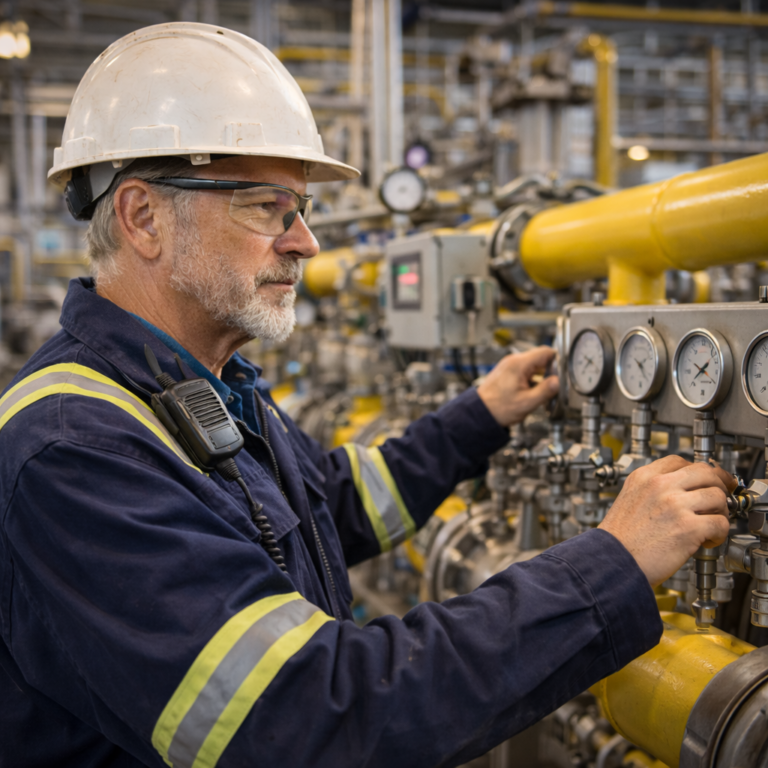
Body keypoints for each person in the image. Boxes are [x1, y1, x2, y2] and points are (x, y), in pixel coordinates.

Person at [0, 22, 734, 768]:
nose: (306, 243)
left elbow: (326, 510)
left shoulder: (201, 385)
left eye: (302, 209)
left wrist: (477, 418)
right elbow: (310, 714)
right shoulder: (75, 448)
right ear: (143, 217)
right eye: (267, 208)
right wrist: (610, 563)